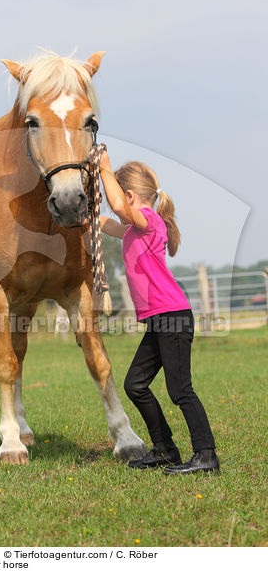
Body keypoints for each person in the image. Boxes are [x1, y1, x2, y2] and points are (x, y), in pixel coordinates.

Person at [99, 152, 219, 474]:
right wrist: (82, 215)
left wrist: (104, 168)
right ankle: (165, 450)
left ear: (129, 196)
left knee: (180, 390)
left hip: (174, 317)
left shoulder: (150, 221)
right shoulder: (133, 230)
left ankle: (206, 455)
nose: (117, 209)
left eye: (118, 201)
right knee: (135, 384)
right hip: (161, 320)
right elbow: (107, 223)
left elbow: (121, 211)